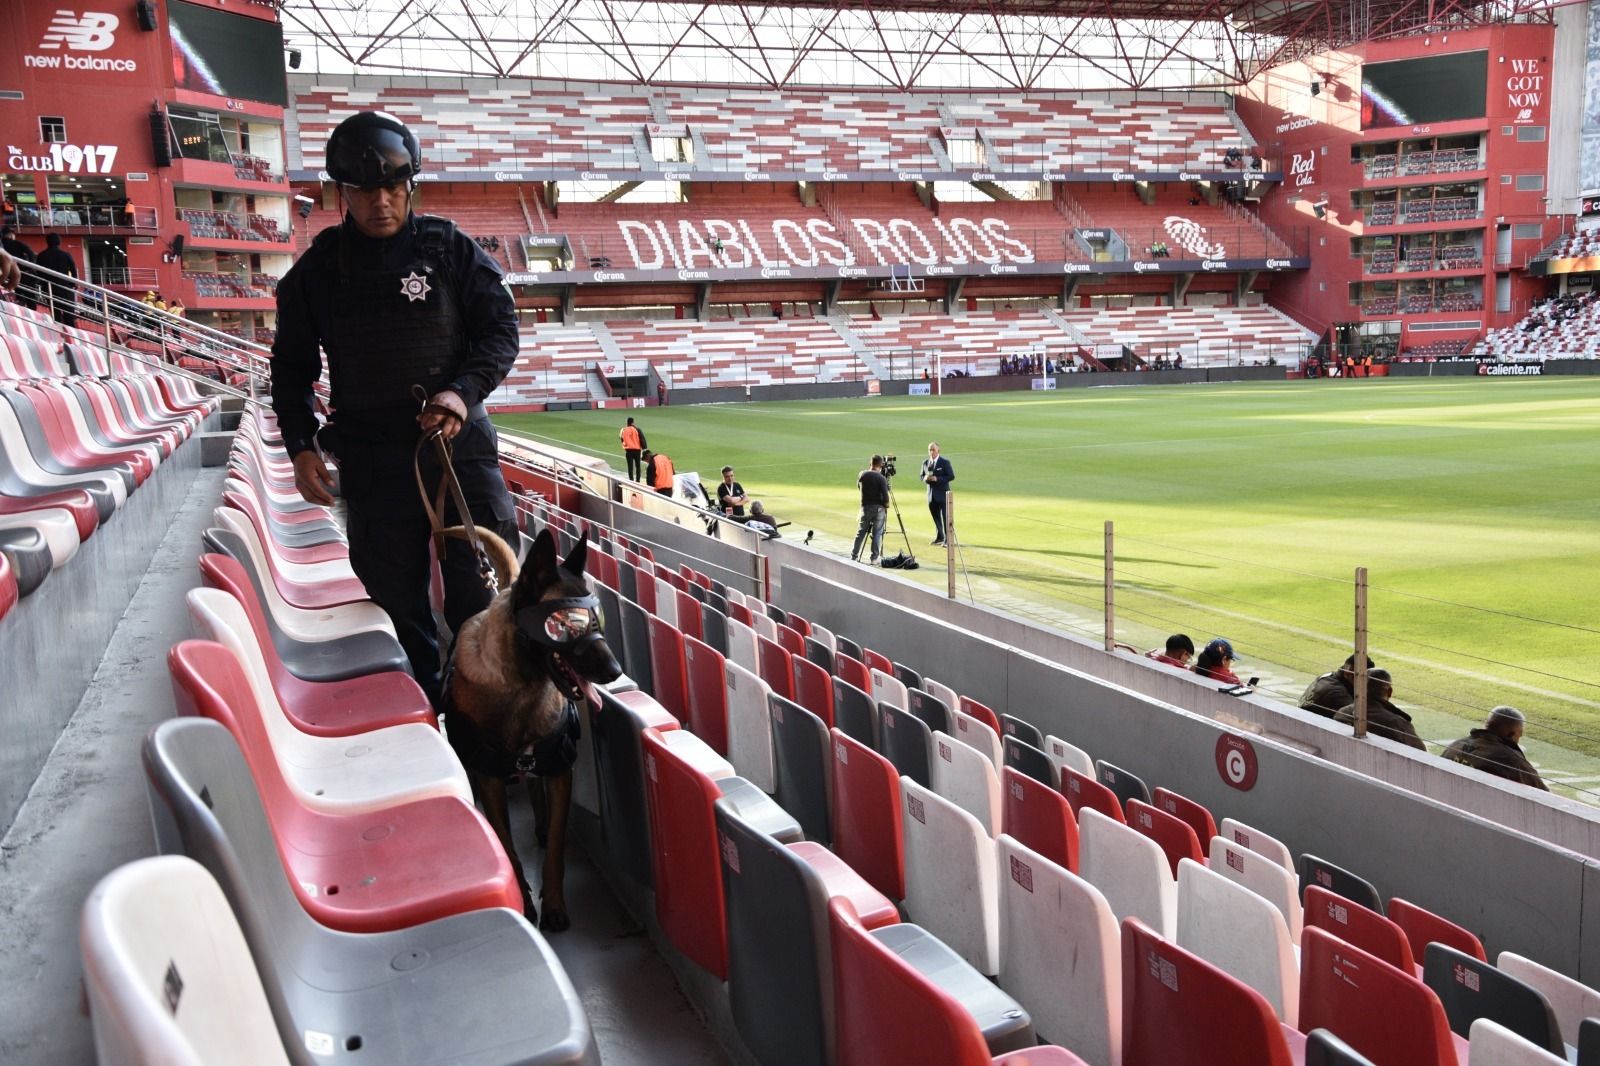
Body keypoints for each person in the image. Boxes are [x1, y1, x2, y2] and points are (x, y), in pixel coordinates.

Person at [270, 110, 520, 707]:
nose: (380, 201)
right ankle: (423, 725)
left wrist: (461, 391)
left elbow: (500, 331)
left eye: (392, 187)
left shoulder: (451, 250)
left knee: (480, 603)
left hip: (459, 452)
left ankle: (482, 726)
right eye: (363, 190)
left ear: (411, 185)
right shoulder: (317, 273)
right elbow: (291, 368)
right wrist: (301, 446)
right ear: (341, 194)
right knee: (397, 609)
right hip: (374, 463)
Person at [1442, 707, 1548, 791]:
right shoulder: (1510, 759)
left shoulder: (1456, 745)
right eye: (1519, 736)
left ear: (1487, 725)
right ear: (1511, 734)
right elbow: (1543, 793)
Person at [1334, 669, 1425, 751]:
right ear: (1389, 692)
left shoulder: (1342, 713)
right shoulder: (1397, 724)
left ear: (1358, 689)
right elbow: (1422, 755)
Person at [1300, 654, 1377, 719]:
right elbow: (1362, 719)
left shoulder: (1328, 677)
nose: (1365, 684)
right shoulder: (1338, 694)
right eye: (1363, 678)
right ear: (1348, 674)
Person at [851, 453, 890, 564]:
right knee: (877, 533)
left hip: (865, 508)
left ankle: (854, 556)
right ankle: (874, 558)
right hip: (878, 510)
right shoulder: (881, 478)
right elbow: (886, 497)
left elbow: (859, 487)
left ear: (870, 463)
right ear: (880, 465)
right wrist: (886, 506)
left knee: (860, 533)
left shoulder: (861, 474)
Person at [35, 233, 78, 326]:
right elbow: (73, 270)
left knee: (56, 316)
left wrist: (43, 285)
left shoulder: (41, 255)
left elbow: (38, 273)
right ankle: (71, 337)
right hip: (65, 288)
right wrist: (73, 284)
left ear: (47, 242)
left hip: (49, 289)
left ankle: (59, 335)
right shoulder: (66, 255)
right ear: (59, 242)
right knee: (69, 317)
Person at [921, 441, 954, 545]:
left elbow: (951, 476)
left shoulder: (944, 462)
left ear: (938, 450)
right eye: (930, 449)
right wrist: (925, 478)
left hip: (943, 494)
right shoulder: (925, 463)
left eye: (933, 449)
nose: (931, 452)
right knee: (936, 517)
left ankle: (948, 540)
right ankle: (940, 536)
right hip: (931, 495)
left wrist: (937, 479)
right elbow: (921, 476)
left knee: (945, 517)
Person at [0, 226, 36, 310]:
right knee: (30, 298)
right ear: (11, 235)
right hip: (22, 273)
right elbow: (30, 252)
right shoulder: (17, 243)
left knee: (19, 296)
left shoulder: (3, 245)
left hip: (8, 274)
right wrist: (30, 266)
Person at [619, 416, 646, 481]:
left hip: (628, 450)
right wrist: (644, 448)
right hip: (637, 450)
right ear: (633, 422)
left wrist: (625, 446)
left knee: (630, 467)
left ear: (627, 422)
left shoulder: (623, 430)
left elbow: (621, 439)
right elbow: (642, 439)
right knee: (638, 466)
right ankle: (638, 480)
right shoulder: (637, 429)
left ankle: (631, 480)